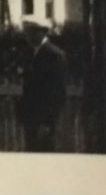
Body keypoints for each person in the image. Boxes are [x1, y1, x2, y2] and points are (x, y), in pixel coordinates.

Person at [18, 22, 68, 152]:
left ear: (41, 32)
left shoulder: (54, 55)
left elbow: (57, 93)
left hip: (44, 123)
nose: (27, 37)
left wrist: (48, 123)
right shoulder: (31, 54)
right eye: (26, 33)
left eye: (30, 32)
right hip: (31, 120)